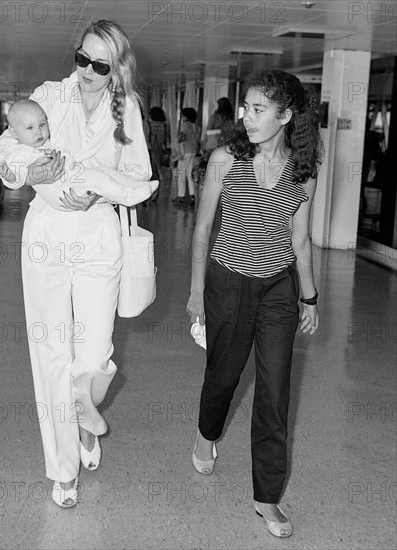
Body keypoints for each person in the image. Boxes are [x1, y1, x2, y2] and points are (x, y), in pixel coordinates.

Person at [0, 19, 152, 508]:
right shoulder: (49, 95)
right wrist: (28, 169)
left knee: (93, 352)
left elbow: (140, 173)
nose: (87, 71)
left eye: (100, 65)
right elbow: (3, 151)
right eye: (82, 58)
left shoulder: (130, 110)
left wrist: (97, 187)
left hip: (99, 234)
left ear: (117, 68)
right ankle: (63, 469)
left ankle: (84, 409)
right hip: (46, 235)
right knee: (51, 355)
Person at [186, 69, 322, 538]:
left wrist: (309, 296)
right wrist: (195, 293)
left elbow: (300, 240)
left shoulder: (302, 172)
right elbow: (202, 229)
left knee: (275, 390)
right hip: (227, 281)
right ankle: (207, 435)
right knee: (223, 375)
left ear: (285, 116)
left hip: (277, 290)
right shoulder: (226, 159)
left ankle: (267, 497)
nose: (246, 116)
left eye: (258, 109)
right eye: (245, 107)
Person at [0, 98, 158, 209]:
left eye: (42, 124)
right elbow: (16, 176)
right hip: (63, 193)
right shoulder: (19, 152)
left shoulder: (42, 143)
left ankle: (136, 185)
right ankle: (128, 197)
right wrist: (12, 176)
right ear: (13, 133)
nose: (39, 132)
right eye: (30, 128)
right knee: (98, 178)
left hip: (71, 180)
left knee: (105, 172)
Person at [175, 107, 200, 205]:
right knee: (190, 174)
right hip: (193, 151)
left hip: (184, 151)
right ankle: (192, 196)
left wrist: (177, 141)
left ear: (186, 116)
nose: (182, 117)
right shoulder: (197, 127)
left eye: (183, 115)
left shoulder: (185, 125)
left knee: (181, 174)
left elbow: (182, 137)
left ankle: (181, 196)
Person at [147, 106, 168, 200]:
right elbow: (165, 139)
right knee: (157, 169)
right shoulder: (164, 125)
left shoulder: (149, 124)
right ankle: (156, 191)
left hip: (151, 149)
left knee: (151, 170)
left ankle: (151, 192)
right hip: (160, 149)